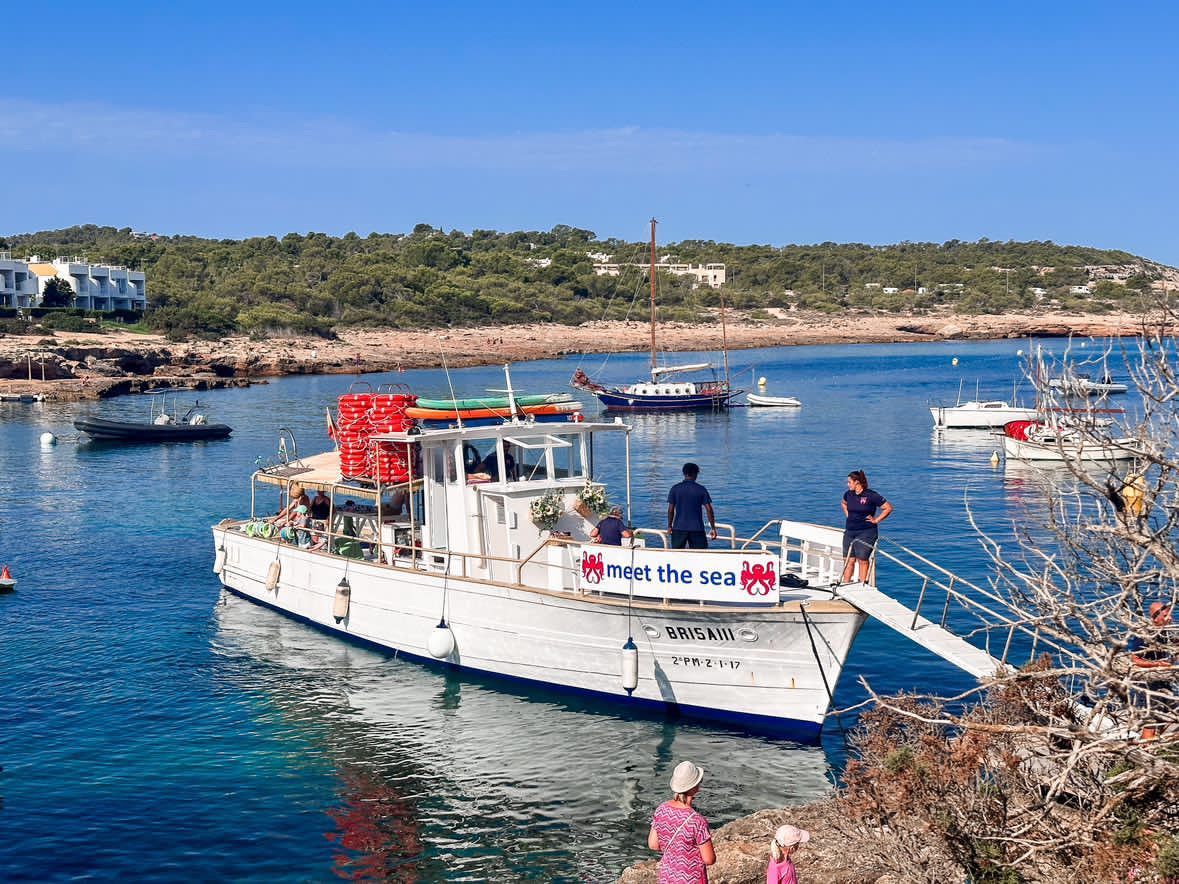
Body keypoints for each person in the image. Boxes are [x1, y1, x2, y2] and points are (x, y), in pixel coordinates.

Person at [648, 761, 715, 883]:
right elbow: (709, 859)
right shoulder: (697, 821)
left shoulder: (661, 810)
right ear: (695, 787)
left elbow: (653, 845)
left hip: (667, 878)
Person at [839, 470, 892, 585]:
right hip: (849, 531)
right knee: (849, 560)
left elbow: (888, 508)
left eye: (849, 482)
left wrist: (876, 520)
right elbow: (843, 503)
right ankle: (845, 584)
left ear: (857, 482)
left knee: (862, 560)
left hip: (866, 532)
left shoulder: (871, 495)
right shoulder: (848, 494)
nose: (848, 485)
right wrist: (848, 515)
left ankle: (862, 586)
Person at [667, 463, 717, 550]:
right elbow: (709, 509)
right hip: (697, 528)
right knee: (700, 555)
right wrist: (713, 528)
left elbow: (670, 510)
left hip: (679, 528)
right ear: (695, 474)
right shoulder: (701, 489)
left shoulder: (675, 489)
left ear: (684, 473)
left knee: (676, 555)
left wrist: (669, 526)